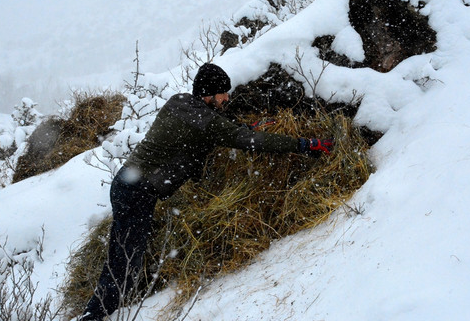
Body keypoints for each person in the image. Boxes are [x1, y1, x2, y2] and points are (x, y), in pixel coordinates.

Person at [79, 63, 333, 320]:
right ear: (208, 93)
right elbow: (239, 138)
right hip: (137, 191)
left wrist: (242, 129)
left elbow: (216, 127)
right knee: (126, 258)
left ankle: (100, 307)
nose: (227, 98)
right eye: (223, 93)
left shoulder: (180, 103)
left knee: (124, 252)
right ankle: (95, 314)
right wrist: (303, 144)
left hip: (129, 185)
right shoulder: (202, 120)